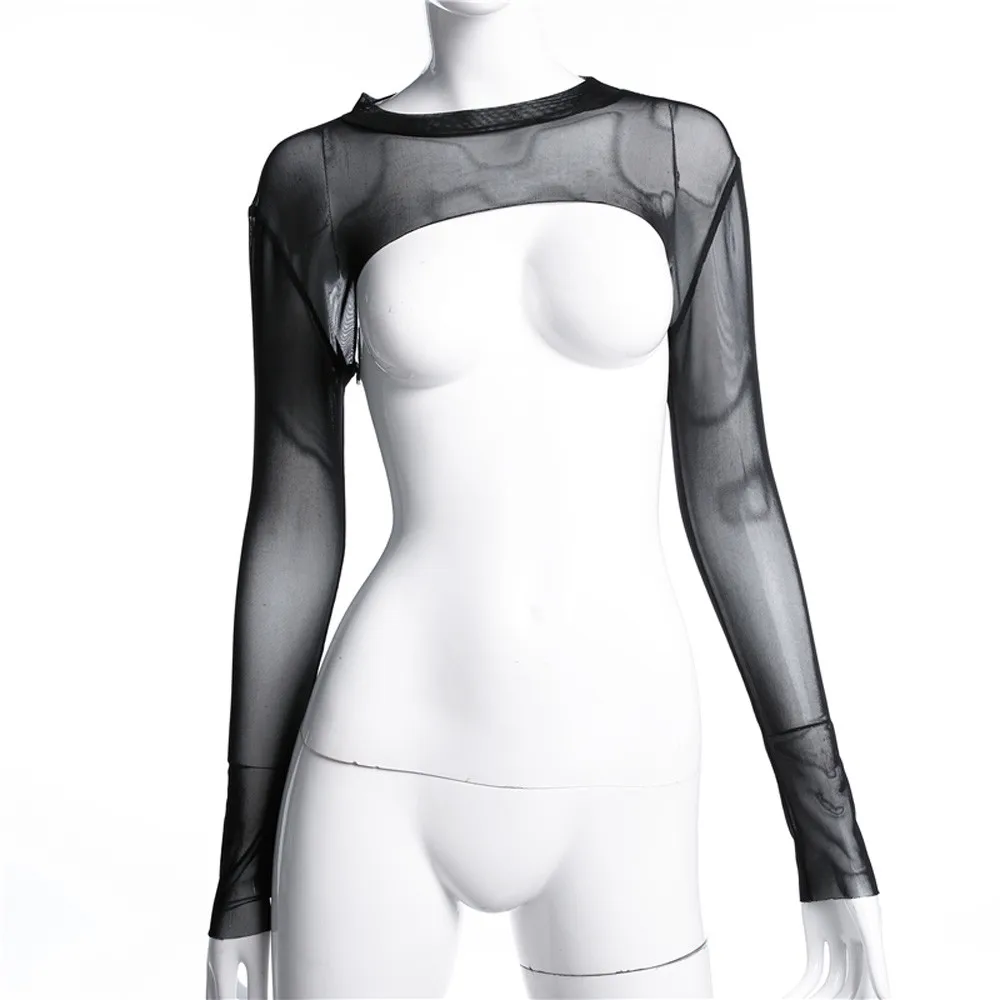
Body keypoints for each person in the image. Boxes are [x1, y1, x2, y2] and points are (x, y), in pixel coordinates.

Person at [206, 2, 889, 996]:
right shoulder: (319, 178)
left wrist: (829, 833)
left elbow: (734, 494)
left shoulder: (675, 155)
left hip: (624, 751)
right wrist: (243, 877)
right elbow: (292, 524)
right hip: (383, 748)